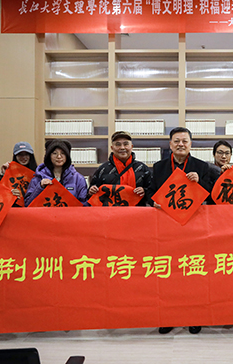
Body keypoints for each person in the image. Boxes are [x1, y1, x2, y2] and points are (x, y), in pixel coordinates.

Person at [147, 127, 218, 335]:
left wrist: (200, 182)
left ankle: (195, 316)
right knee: (168, 273)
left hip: (193, 228)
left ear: (190, 144)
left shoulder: (201, 166)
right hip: (166, 228)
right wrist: (153, 201)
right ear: (170, 144)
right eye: (176, 141)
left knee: (194, 273)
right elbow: (150, 191)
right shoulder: (159, 167)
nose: (180, 144)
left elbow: (212, 194)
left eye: (184, 141)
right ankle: (168, 317)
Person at [88, 131, 151, 205]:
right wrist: (91, 191)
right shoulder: (103, 169)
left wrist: (144, 191)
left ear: (131, 147)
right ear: (112, 148)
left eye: (126, 144)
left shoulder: (142, 168)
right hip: (109, 211)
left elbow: (152, 192)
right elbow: (91, 193)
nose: (122, 147)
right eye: (118, 144)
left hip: (137, 211)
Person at [24, 139, 88, 206]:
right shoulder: (38, 178)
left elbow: (84, 205)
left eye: (63, 153)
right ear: (49, 156)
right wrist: (40, 187)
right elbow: (28, 204)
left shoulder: (78, 179)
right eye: (55, 153)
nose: (59, 157)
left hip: (70, 213)